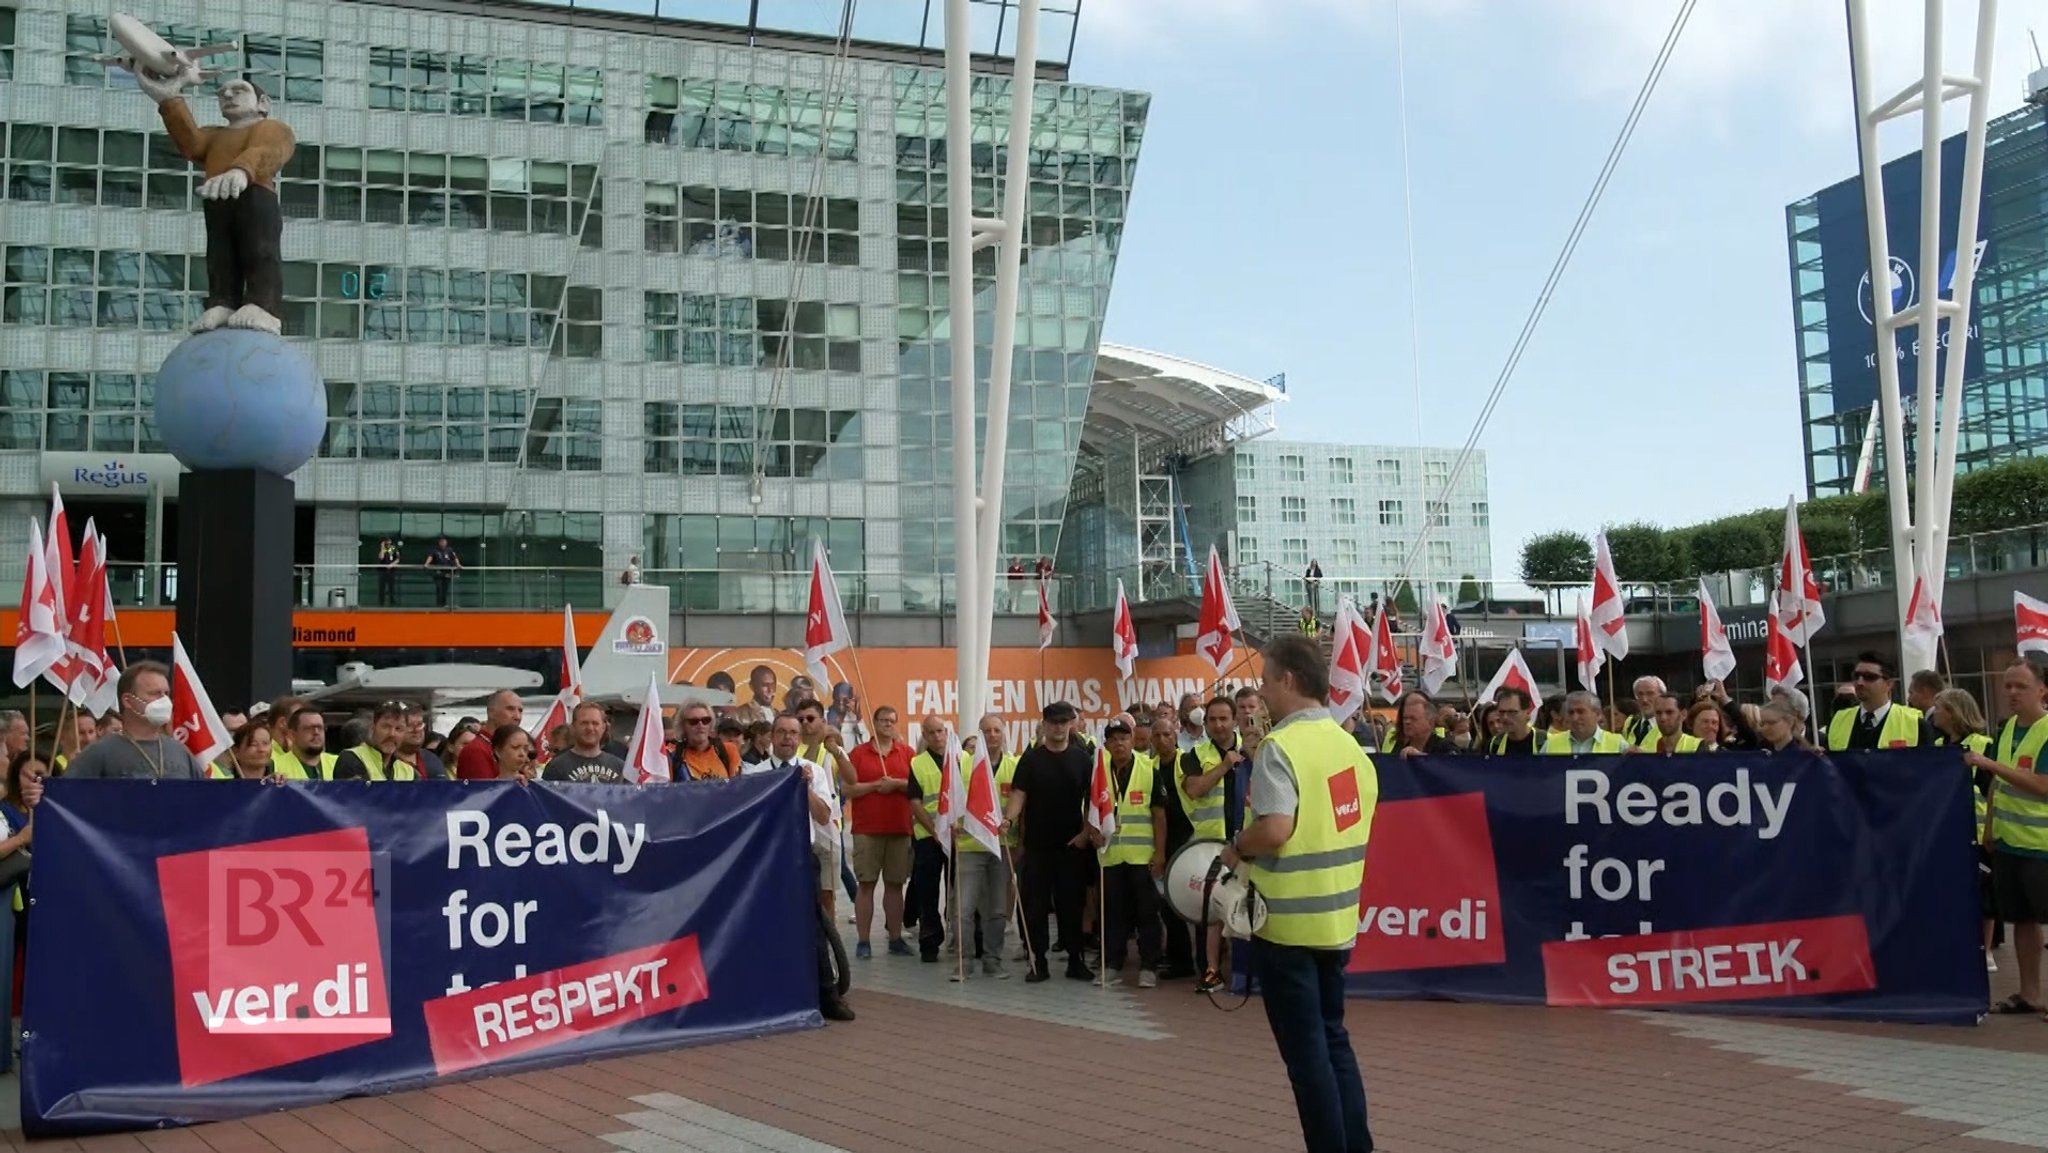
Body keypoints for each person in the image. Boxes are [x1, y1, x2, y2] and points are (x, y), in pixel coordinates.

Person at [1224, 634, 1376, 1153]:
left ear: (1288, 679)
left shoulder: (1279, 748)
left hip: (1286, 926)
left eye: (1265, 681)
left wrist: (1235, 847)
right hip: (1337, 922)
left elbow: (1275, 829)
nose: (1261, 693)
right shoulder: (1351, 748)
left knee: (1306, 1056)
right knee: (1334, 1042)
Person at [740, 714, 853, 1021]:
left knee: (814, 926)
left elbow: (822, 815)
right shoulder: (754, 772)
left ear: (800, 738)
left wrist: (803, 788)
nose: (787, 738)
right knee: (765, 923)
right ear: (770, 737)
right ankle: (767, 990)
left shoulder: (813, 771)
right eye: (781, 733)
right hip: (766, 858)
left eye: (793, 733)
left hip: (802, 855)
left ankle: (827, 994)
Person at [1966, 658, 2048, 1014]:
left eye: (2021, 686)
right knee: (2022, 921)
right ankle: (2029, 994)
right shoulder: (2006, 730)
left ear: (2042, 690)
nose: (2012, 692)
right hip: (2010, 844)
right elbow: (1998, 787)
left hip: (2043, 847)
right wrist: (1990, 828)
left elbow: (2043, 786)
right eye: (2008, 685)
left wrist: (1989, 764)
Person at [1005, 701, 1095, 983]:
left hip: (1071, 846)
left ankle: (1075, 959)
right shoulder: (1031, 759)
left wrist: (1085, 834)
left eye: (1063, 722)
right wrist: (1008, 819)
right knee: (1036, 906)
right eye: (1053, 722)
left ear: (1072, 724)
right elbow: (1019, 795)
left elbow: (1093, 802)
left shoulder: (1083, 759)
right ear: (1044, 725)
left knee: (1072, 905)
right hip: (1037, 847)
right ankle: (1038, 961)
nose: (1058, 727)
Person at [1093, 717, 1165, 988]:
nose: (1119, 743)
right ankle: (1112, 963)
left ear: (1133, 740)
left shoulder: (1148, 769)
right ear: (1107, 743)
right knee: (1112, 912)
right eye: (1113, 739)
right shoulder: (1098, 771)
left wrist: (1159, 854)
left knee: (1147, 912)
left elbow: (1159, 816)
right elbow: (1089, 810)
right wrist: (1092, 832)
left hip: (1141, 856)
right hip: (1110, 855)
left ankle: (1149, 966)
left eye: (1123, 738)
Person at [41, 662, 202, 783]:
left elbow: (205, 804)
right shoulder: (98, 753)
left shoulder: (181, 752)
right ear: (128, 701)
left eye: (166, 693)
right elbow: (68, 804)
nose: (164, 700)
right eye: (155, 693)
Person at [843, 707, 913, 959]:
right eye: (883, 720)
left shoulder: (906, 753)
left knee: (895, 886)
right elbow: (847, 789)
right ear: (874, 723)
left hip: (899, 828)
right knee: (866, 885)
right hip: (867, 830)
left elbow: (916, 786)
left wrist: (895, 784)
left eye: (892, 721)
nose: (887, 724)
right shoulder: (859, 754)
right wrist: (874, 786)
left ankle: (895, 938)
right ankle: (863, 941)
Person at [904, 716, 951, 963]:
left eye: (940, 731)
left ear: (947, 731)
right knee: (927, 892)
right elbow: (914, 802)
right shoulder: (917, 763)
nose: (936, 736)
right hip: (927, 837)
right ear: (924, 734)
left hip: (957, 837)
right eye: (931, 732)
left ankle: (958, 939)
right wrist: (934, 829)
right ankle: (930, 942)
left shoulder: (962, 759)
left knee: (956, 891)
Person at [1824, 651, 1933, 751]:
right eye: (1856, 676)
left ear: (1889, 684)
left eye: (1869, 677)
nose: (1860, 682)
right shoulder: (1838, 721)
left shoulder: (1916, 724)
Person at [543, 702, 629, 783]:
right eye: (584, 723)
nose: (590, 728)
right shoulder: (556, 767)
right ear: (573, 726)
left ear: (603, 727)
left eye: (595, 723)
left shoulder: (620, 768)